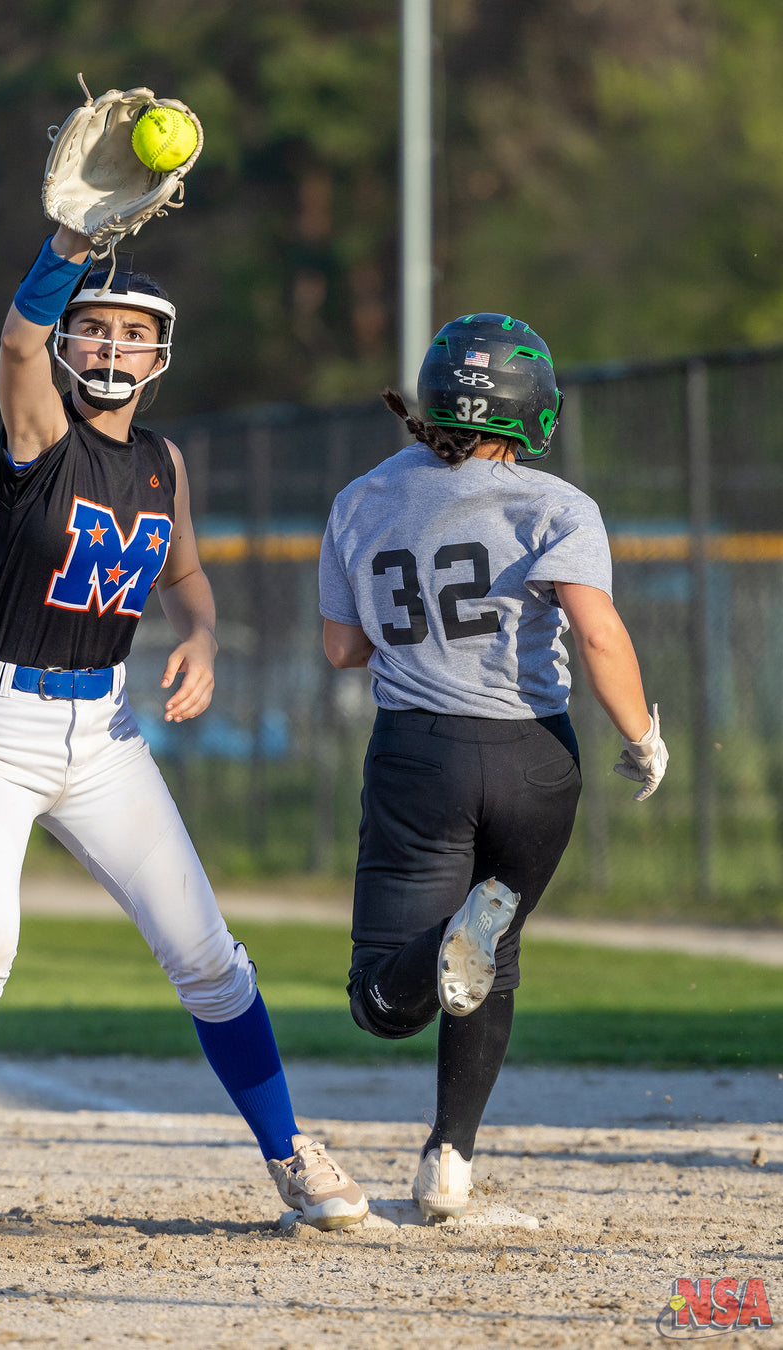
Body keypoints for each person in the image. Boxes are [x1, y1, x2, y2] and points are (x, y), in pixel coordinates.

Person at [0, 220, 368, 1239]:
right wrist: (67, 247)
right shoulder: (38, 434)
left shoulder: (162, 463)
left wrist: (203, 633)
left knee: (208, 957)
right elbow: (16, 345)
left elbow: (185, 574)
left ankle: (290, 1154)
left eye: (130, 335)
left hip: (105, 732)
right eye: (92, 330)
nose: (108, 349)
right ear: (68, 344)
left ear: (160, 355)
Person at [318, 313, 668, 1219]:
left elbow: (342, 650)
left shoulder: (362, 499)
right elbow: (596, 631)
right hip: (536, 758)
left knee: (382, 999)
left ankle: (444, 950)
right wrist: (643, 736)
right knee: (495, 957)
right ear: (533, 411)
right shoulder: (558, 505)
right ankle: (449, 1162)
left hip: (421, 754)